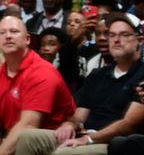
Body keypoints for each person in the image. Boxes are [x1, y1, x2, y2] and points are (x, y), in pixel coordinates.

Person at [16, 12, 144, 155]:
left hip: (112, 143)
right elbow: (79, 115)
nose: (116, 40)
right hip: (84, 135)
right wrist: (70, 124)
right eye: (112, 35)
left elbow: (129, 125)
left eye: (124, 34)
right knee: (28, 138)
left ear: (140, 40)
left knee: (65, 153)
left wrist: (89, 138)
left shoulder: (142, 75)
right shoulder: (97, 74)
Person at [0, 16, 76, 155]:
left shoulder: (42, 72)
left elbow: (29, 124)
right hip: (17, 136)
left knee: (26, 138)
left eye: (14, 31)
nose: (8, 36)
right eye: (2, 33)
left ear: (27, 39)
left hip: (54, 137)